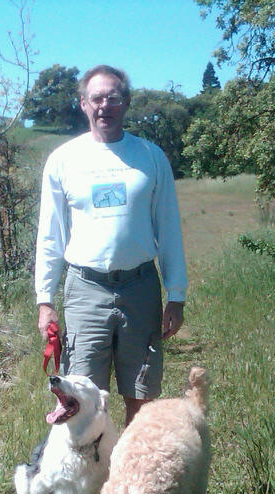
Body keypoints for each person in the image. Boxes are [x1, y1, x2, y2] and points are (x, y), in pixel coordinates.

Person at [33, 64, 187, 425]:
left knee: (141, 396)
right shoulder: (63, 160)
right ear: (83, 104)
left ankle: (134, 462)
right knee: (81, 398)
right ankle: (92, 464)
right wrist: (45, 300)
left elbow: (168, 229)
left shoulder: (150, 157)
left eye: (113, 98)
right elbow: (50, 235)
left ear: (126, 102)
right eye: (97, 98)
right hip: (85, 290)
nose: (105, 106)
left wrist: (176, 295)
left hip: (140, 288)